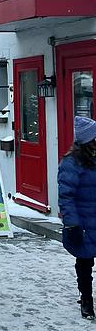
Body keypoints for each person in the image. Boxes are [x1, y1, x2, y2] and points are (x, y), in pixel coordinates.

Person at [57, 116, 96, 320]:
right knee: (85, 261)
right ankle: (87, 300)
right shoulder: (71, 163)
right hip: (84, 221)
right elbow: (66, 196)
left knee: (85, 260)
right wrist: (72, 223)